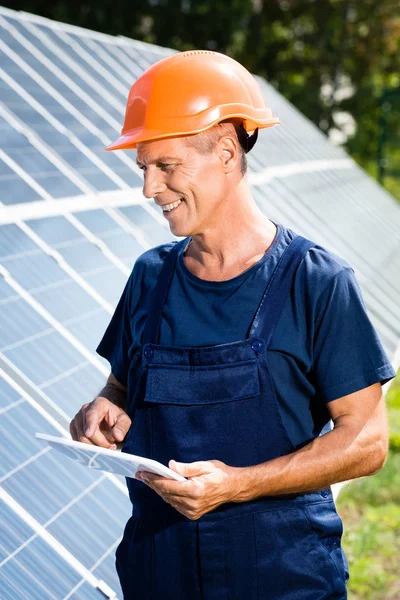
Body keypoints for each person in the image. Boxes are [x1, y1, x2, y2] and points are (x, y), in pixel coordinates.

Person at [69, 51, 396, 599]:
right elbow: (121, 386)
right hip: (158, 574)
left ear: (225, 152)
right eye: (143, 168)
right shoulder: (151, 276)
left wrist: (239, 485)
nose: (150, 188)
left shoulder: (317, 283)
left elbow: (366, 442)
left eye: (167, 166)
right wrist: (104, 410)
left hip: (282, 578)